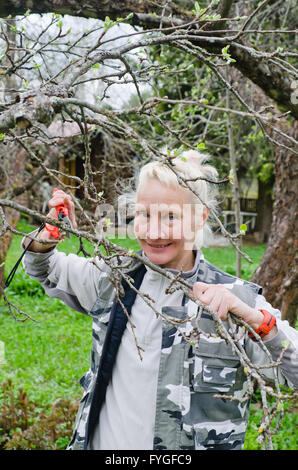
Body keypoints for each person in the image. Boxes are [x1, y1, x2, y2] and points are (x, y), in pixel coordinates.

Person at [22, 150, 298, 451]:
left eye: (171, 216)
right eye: (145, 214)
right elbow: (43, 266)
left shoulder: (236, 300)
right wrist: (49, 232)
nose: (154, 232)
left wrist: (258, 321)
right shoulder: (113, 279)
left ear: (199, 218)